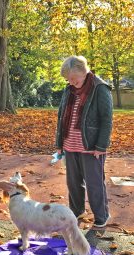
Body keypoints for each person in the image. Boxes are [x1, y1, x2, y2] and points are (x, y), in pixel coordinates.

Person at [55, 55, 113, 228]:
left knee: (94, 183)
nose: (71, 82)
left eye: (73, 79)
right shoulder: (69, 89)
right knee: (73, 182)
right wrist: (59, 143)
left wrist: (101, 146)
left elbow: (106, 119)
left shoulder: (100, 88)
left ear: (84, 72)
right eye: (68, 80)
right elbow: (61, 116)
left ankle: (102, 215)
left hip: (91, 146)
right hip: (70, 144)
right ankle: (77, 210)